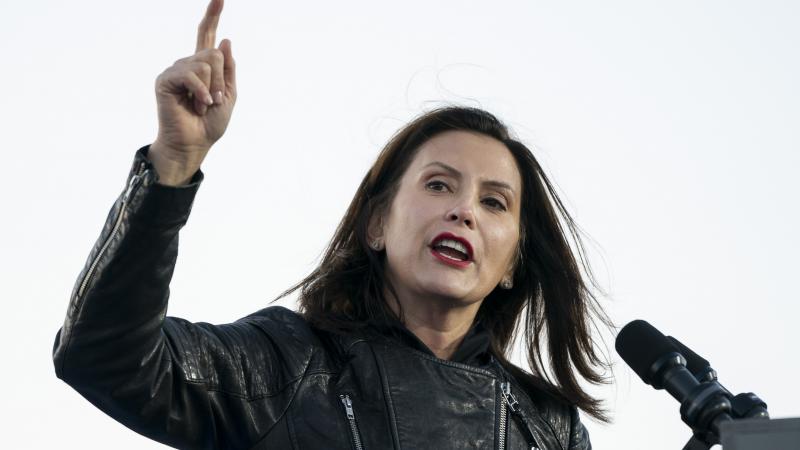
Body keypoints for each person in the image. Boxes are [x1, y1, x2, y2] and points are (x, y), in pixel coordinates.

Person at [53, 1, 611, 448]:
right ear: (376, 225)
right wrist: (173, 163)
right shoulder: (285, 365)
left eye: (494, 202)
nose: (463, 210)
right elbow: (106, 357)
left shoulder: (549, 429)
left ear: (513, 263)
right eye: (439, 185)